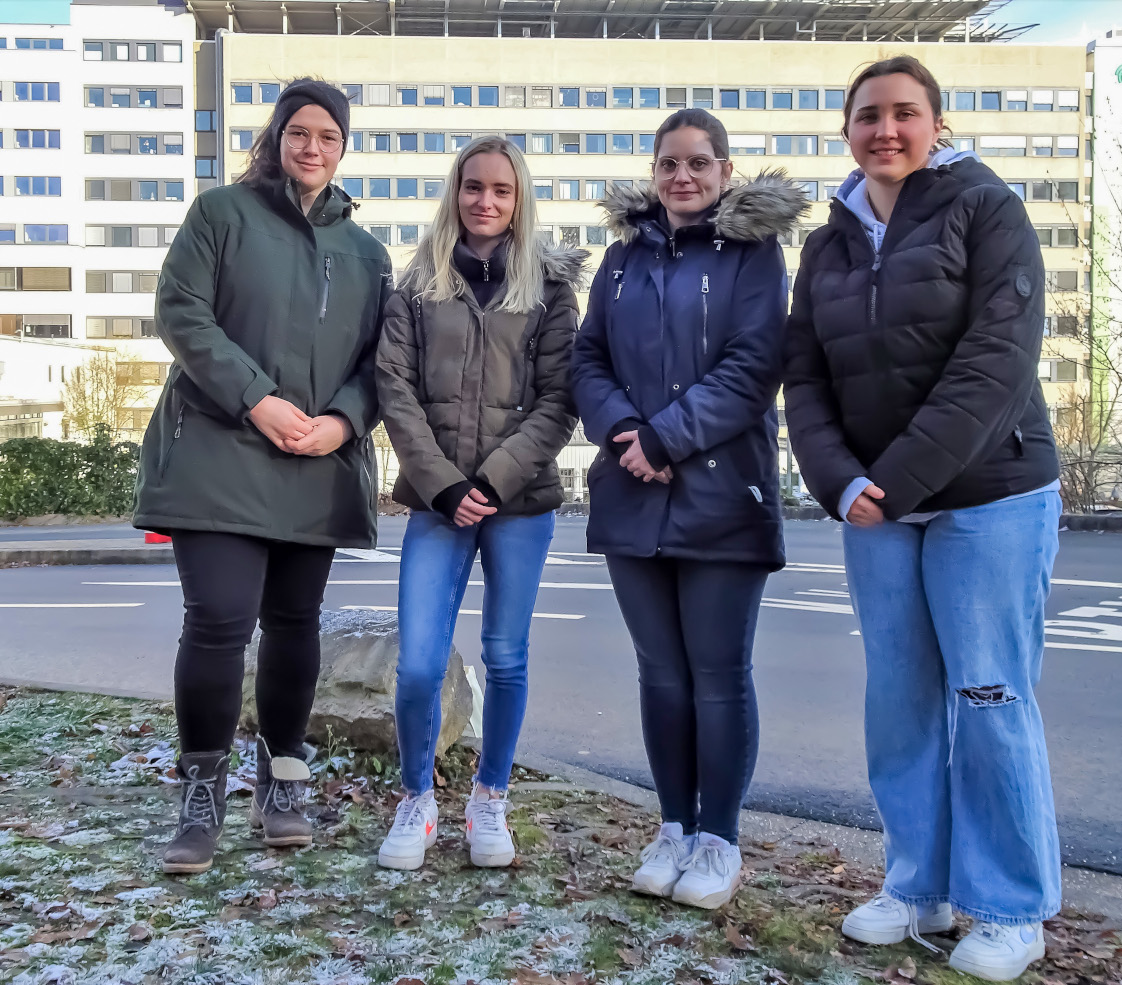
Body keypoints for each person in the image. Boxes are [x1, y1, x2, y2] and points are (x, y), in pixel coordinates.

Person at [782, 55, 1062, 981]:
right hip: (875, 509)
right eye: (868, 116)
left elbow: (996, 362)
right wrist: (839, 483)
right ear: (847, 130)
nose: (886, 130)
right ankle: (917, 886)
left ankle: (1011, 906)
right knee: (899, 701)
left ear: (937, 124)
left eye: (906, 114)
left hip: (991, 494)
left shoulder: (988, 209)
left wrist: (890, 482)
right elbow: (805, 377)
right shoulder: (827, 241)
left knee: (989, 697)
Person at [133, 78, 392, 875]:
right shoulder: (220, 215)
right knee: (218, 619)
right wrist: (259, 402)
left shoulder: (368, 253)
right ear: (277, 135)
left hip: (316, 461)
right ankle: (202, 790)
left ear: (344, 148)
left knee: (294, 624)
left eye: (329, 137)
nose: (312, 148)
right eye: (299, 132)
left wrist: (344, 421)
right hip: (219, 449)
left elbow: (383, 361)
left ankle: (282, 779)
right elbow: (181, 311)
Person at [571, 109, 807, 909]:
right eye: (669, 163)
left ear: (724, 171)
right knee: (661, 675)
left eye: (699, 163)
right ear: (653, 171)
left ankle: (719, 838)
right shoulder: (619, 261)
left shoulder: (754, 256)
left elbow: (752, 367)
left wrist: (665, 438)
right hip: (633, 491)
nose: (682, 176)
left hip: (720, 495)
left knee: (716, 676)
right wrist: (625, 433)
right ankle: (673, 824)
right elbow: (588, 357)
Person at [374, 136, 585, 871]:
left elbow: (562, 400)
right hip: (437, 504)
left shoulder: (551, 291)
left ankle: (490, 796)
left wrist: (491, 480)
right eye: (473, 187)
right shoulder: (417, 286)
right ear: (454, 192)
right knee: (420, 665)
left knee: (505, 654)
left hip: (519, 503)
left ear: (519, 197)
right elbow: (393, 391)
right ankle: (415, 797)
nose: (485, 201)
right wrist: (446, 485)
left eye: (500, 189)